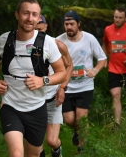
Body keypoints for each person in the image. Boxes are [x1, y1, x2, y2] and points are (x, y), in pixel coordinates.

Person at [0, 0, 66, 157]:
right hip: (10, 107)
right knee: (16, 153)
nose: (30, 18)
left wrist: (42, 81)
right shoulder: (4, 40)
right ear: (17, 15)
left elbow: (62, 73)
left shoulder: (48, 43)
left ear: (38, 18)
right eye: (26, 13)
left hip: (37, 109)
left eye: (34, 15)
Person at [56, 10, 107, 153]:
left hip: (85, 86)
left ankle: (82, 150)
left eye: (72, 24)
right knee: (69, 120)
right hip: (67, 86)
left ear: (79, 24)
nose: (69, 27)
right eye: (66, 24)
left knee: (81, 118)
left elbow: (102, 59)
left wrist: (95, 70)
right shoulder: (58, 41)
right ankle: (77, 132)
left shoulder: (89, 39)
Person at [35, 15, 73, 157]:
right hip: (34, 100)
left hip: (52, 99)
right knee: (36, 142)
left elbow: (69, 65)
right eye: (35, 26)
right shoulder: (24, 46)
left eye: (41, 26)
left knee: (51, 141)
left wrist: (62, 87)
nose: (38, 29)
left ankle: (57, 150)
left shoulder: (57, 44)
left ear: (46, 26)